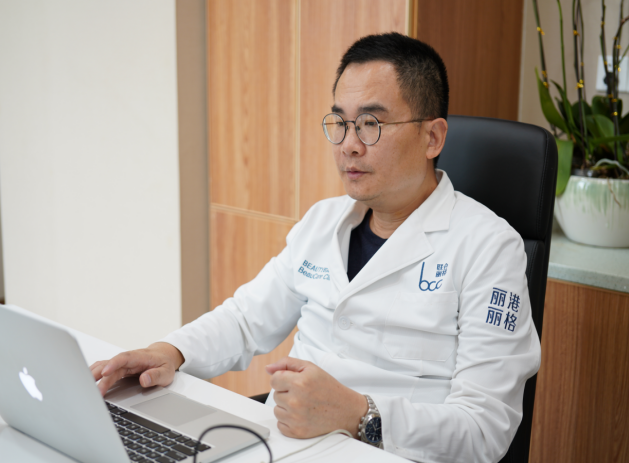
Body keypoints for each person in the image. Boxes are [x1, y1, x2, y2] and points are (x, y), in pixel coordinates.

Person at [91, 33, 540, 462]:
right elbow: (245, 320)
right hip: (286, 443)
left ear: (432, 138)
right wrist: (170, 352)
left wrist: (359, 414)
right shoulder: (323, 221)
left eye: (371, 124)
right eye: (341, 123)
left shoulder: (488, 247)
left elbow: (485, 429)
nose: (349, 146)